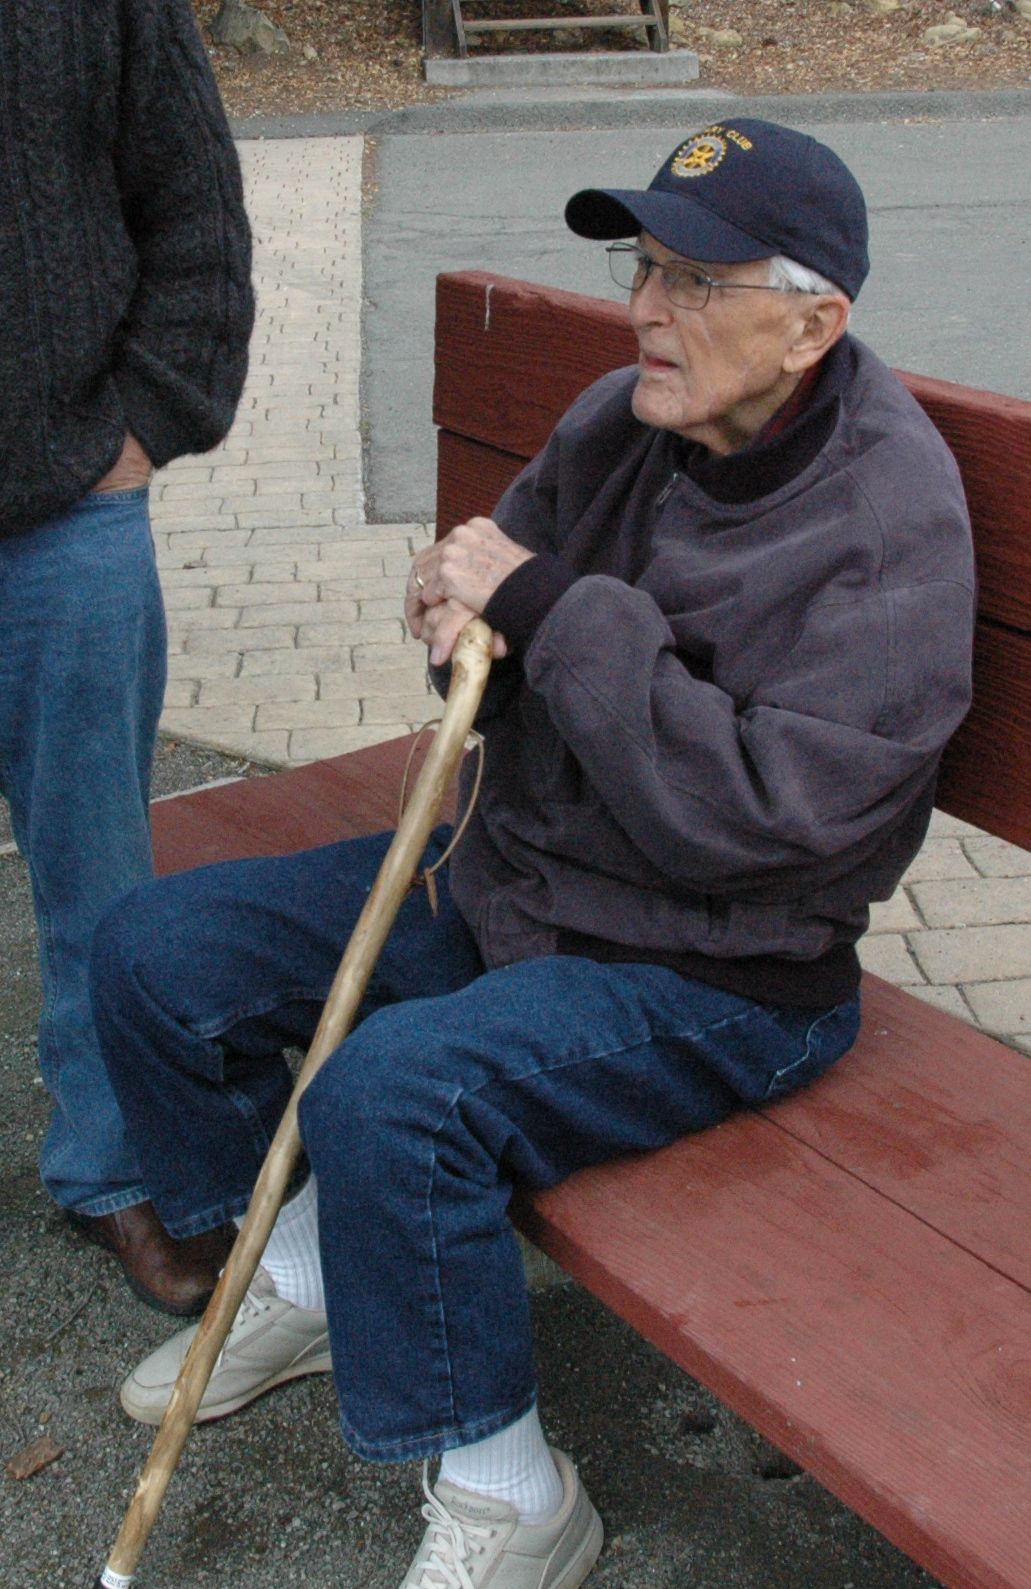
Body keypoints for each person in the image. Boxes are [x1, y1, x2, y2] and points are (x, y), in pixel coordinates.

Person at [90, 120, 974, 1587]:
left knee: (395, 1096)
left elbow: (761, 825)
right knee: (153, 955)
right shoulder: (629, 419)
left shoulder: (887, 523)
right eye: (645, 267)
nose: (646, 311)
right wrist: (456, 616)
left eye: (696, 282)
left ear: (813, 323)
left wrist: (554, 615)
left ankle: (516, 1497)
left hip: (718, 968)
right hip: (520, 880)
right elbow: (505, 586)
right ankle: (310, 1257)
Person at [0, 0, 254, 1314]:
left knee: (98, 874)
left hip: (62, 521)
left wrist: (142, 427)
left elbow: (195, 206)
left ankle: (113, 1165)